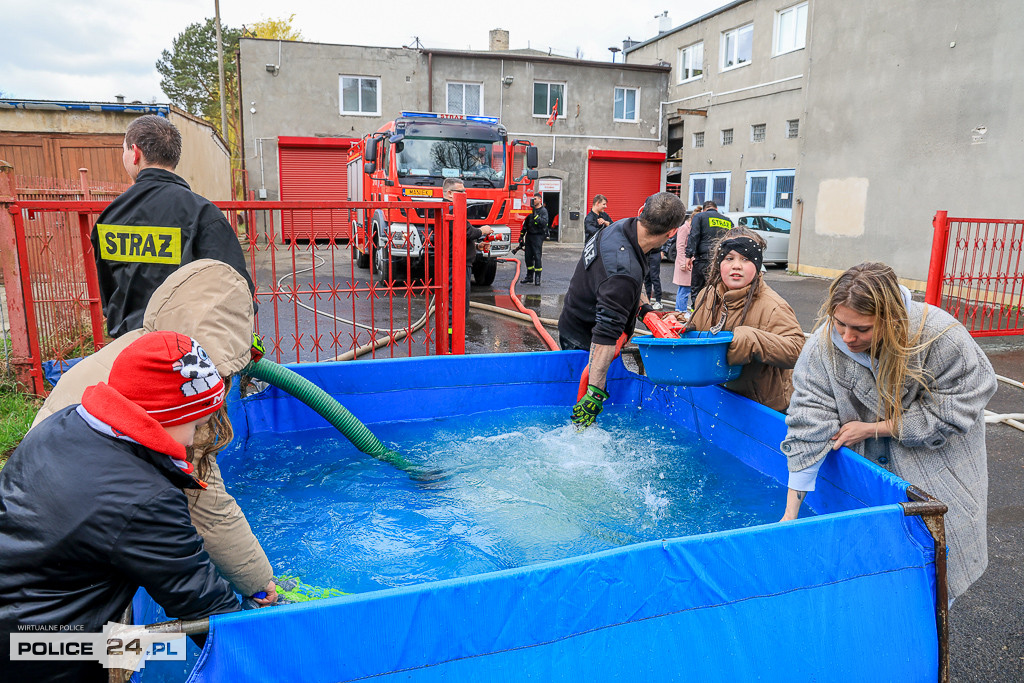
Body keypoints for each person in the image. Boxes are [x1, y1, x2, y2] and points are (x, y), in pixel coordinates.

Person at [31, 259, 278, 606]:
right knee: (109, 647)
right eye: (195, 426)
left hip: (39, 551)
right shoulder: (177, 392)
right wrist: (257, 584)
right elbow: (204, 513)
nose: (194, 437)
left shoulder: (134, 354)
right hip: (66, 601)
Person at [0, 331, 243, 682]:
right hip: (41, 650)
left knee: (152, 643)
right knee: (162, 647)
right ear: (165, 416)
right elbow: (208, 609)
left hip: (16, 618)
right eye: (195, 424)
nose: (193, 439)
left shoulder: (65, 422)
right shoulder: (144, 498)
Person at [779, 262, 997, 600]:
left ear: (892, 319)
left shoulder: (940, 336)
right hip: (875, 472)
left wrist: (874, 428)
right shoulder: (824, 346)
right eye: (840, 324)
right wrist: (790, 514)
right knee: (879, 571)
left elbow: (962, 401)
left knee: (937, 576)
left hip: (939, 465)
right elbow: (810, 416)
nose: (847, 338)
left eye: (862, 329)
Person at [92, 114, 255, 338]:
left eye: (124, 150)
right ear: (173, 157)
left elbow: (109, 294)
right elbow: (238, 288)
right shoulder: (204, 214)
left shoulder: (111, 216)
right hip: (191, 351)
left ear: (135, 153)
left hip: (130, 346)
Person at [559, 192, 686, 429]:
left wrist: (645, 310)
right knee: (584, 415)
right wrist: (595, 394)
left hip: (577, 316)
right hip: (585, 337)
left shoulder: (623, 228)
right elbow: (605, 336)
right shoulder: (622, 273)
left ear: (641, 211)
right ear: (672, 233)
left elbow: (631, 280)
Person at [682, 228, 804, 412]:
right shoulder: (705, 297)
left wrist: (754, 340)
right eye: (729, 258)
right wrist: (680, 326)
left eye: (746, 258)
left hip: (762, 407)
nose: (736, 265)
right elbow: (697, 335)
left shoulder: (773, 306)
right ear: (718, 263)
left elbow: (797, 351)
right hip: (717, 397)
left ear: (758, 264)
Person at [442, 178, 493, 317]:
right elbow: (467, 232)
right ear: (450, 193)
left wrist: (476, 246)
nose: (465, 194)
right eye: (462, 191)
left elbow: (458, 238)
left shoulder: (450, 209)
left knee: (458, 302)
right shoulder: (451, 210)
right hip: (457, 265)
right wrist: (483, 230)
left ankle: (453, 334)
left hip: (460, 263)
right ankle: (452, 335)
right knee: (457, 305)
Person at [684, 200, 734, 300]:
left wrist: (688, 256)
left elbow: (694, 236)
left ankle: (697, 312)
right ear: (716, 209)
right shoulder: (727, 221)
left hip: (703, 259)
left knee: (698, 290)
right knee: (717, 289)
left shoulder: (700, 217)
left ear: (703, 209)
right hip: (720, 260)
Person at [519, 193, 549, 285]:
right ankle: (529, 277)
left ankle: (537, 278)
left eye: (535, 199)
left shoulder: (543, 211)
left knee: (537, 256)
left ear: (540, 200)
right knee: (528, 257)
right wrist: (521, 237)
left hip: (538, 236)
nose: (533, 201)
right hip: (529, 236)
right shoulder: (530, 211)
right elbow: (525, 225)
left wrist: (536, 216)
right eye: (533, 199)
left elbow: (544, 223)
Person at [672, 207, 697, 316]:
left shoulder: (691, 228)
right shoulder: (684, 228)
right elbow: (680, 246)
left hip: (689, 262)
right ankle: (680, 311)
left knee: (686, 288)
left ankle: (682, 311)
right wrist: (683, 262)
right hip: (685, 263)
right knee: (684, 289)